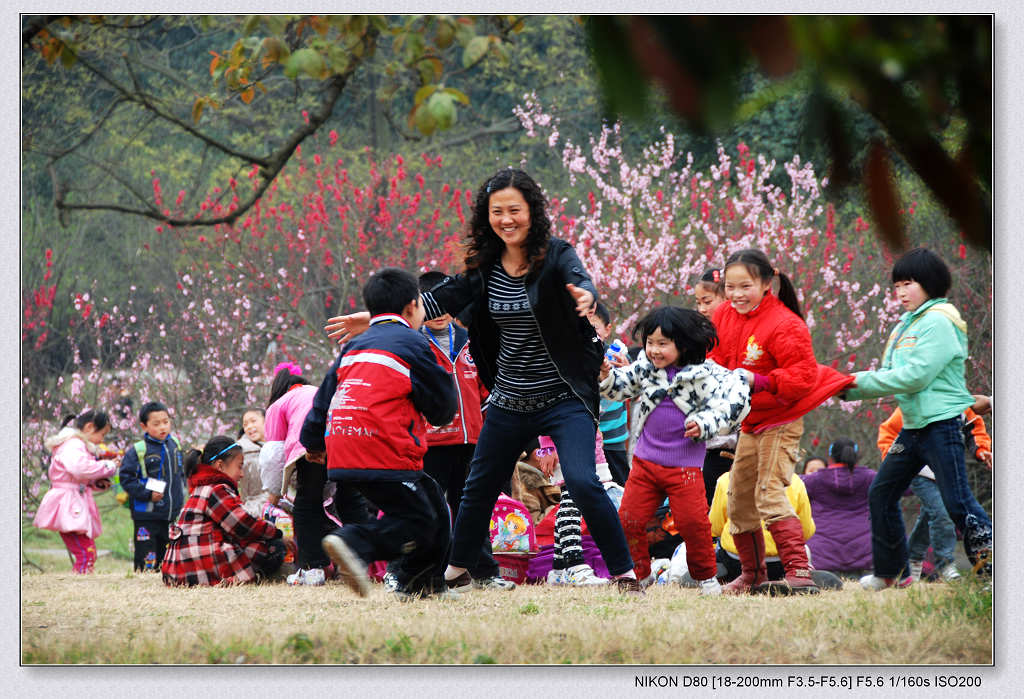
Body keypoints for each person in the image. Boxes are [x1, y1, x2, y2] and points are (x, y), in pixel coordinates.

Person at [324, 168, 640, 594]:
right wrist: (379, 318)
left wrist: (586, 297)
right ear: (486, 216)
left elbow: (579, 281)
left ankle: (625, 574)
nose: (506, 219)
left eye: (515, 210)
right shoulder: (486, 268)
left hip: (563, 396)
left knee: (583, 481)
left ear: (532, 211)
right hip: (509, 398)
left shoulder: (557, 255)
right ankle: (455, 572)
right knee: (478, 488)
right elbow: (438, 300)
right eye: (497, 212)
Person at [301, 268, 458, 599]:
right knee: (420, 522)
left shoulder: (354, 346)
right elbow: (443, 407)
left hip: (343, 448)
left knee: (433, 505)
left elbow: (323, 399)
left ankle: (425, 583)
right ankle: (355, 543)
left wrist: (312, 442)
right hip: (383, 447)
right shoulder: (414, 343)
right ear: (414, 307)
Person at [708, 248, 854, 594]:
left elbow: (802, 378)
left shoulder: (785, 324)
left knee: (769, 491)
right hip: (749, 420)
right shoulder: (724, 315)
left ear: (766, 282)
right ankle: (752, 574)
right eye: (730, 287)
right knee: (738, 498)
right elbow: (713, 355)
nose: (737, 295)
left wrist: (759, 381)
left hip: (782, 419)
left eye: (745, 286)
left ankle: (799, 571)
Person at [844, 247, 992, 589]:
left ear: (928, 283)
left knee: (958, 502)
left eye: (907, 284)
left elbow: (915, 376)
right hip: (912, 428)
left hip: (941, 426)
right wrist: (847, 384)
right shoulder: (907, 325)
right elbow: (891, 372)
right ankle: (892, 573)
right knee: (881, 493)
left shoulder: (940, 320)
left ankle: (992, 573)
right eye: (896, 286)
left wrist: (852, 385)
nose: (899, 292)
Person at [600, 306, 751, 594]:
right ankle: (639, 576)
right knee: (629, 520)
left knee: (693, 524)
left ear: (683, 344)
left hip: (685, 469)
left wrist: (705, 424)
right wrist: (607, 377)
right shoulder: (645, 368)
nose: (654, 350)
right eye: (650, 342)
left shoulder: (705, 376)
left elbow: (737, 400)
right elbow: (620, 387)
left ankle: (705, 576)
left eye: (662, 344)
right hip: (645, 464)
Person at [381, 271, 511, 592]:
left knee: (474, 508)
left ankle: (483, 572)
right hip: (428, 446)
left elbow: (487, 391)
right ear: (418, 308)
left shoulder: (471, 343)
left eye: (446, 306)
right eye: (432, 307)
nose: (440, 315)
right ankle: (398, 571)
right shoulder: (412, 345)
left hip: (472, 444)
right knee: (423, 512)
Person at [264, 365, 368, 586]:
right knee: (350, 500)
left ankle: (313, 567)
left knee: (307, 501)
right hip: (347, 435)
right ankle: (360, 560)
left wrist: (274, 494)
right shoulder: (319, 391)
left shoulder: (278, 404)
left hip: (311, 443)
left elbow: (272, 455)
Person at [877, 405, 992, 582]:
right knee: (941, 512)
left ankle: (913, 557)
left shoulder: (957, 401)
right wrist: (894, 462)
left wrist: (981, 449)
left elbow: (974, 425)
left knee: (931, 514)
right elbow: (888, 432)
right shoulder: (914, 404)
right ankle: (945, 563)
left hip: (947, 469)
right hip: (921, 472)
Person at [162, 436, 288, 586]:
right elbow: (243, 525)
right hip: (196, 566)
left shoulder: (202, 487)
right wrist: (277, 533)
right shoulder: (216, 489)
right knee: (273, 547)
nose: (242, 474)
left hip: (179, 567)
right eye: (240, 467)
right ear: (220, 466)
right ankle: (239, 578)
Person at [705, 468, 839, 589]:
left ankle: (716, 572)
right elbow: (805, 531)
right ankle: (802, 570)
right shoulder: (795, 481)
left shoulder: (726, 479)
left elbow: (715, 527)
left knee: (720, 543)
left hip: (737, 560)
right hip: (782, 562)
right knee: (804, 548)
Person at [33, 410, 120, 574]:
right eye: (102, 434)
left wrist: (96, 483)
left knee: (88, 551)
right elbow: (80, 469)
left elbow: (76, 477)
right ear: (89, 427)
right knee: (86, 553)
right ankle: (81, 581)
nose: (102, 440)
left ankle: (82, 578)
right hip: (68, 504)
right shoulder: (73, 444)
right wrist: (109, 466)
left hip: (73, 502)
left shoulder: (76, 445)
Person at [537, 432, 615, 586]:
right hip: (567, 445)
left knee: (571, 501)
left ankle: (559, 569)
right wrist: (547, 445)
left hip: (586, 443)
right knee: (572, 499)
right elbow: (545, 411)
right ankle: (574, 565)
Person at [118, 401, 187, 572]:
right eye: (156, 424)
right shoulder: (138, 450)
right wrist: (147, 493)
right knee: (146, 556)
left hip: (171, 514)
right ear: (144, 426)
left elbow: (182, 474)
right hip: (146, 515)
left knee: (168, 557)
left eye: (166, 422)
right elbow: (126, 478)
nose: (163, 427)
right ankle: (143, 583)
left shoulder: (175, 445)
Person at [692, 268, 737, 505]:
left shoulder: (736, 333)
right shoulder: (698, 336)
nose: (702, 309)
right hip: (704, 440)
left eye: (707, 301)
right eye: (698, 302)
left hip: (730, 439)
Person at [801, 438, 874, 577]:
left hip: (821, 556)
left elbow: (789, 488)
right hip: (864, 554)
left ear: (830, 457)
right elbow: (904, 488)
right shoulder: (870, 477)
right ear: (856, 456)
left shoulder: (814, 480)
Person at [590, 302, 631, 487]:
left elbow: (634, 392)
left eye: (594, 328)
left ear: (607, 330)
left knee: (620, 485)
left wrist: (627, 371)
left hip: (613, 438)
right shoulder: (576, 357)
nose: (588, 333)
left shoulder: (617, 356)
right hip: (588, 438)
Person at [237, 407, 267, 516]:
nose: (249, 427)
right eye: (245, 424)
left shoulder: (277, 446)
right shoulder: (241, 451)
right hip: (253, 510)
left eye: (253, 421)